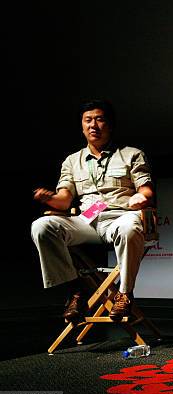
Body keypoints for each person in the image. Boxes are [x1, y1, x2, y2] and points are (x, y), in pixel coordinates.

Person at [31, 99, 154, 322]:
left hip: (120, 217)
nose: (93, 125)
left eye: (99, 119)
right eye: (88, 120)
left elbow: (145, 191)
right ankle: (75, 291)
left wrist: (140, 197)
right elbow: (64, 201)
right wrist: (48, 198)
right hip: (86, 221)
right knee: (42, 226)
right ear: (82, 125)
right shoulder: (72, 161)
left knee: (130, 226)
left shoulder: (131, 154)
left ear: (110, 124)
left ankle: (125, 293)